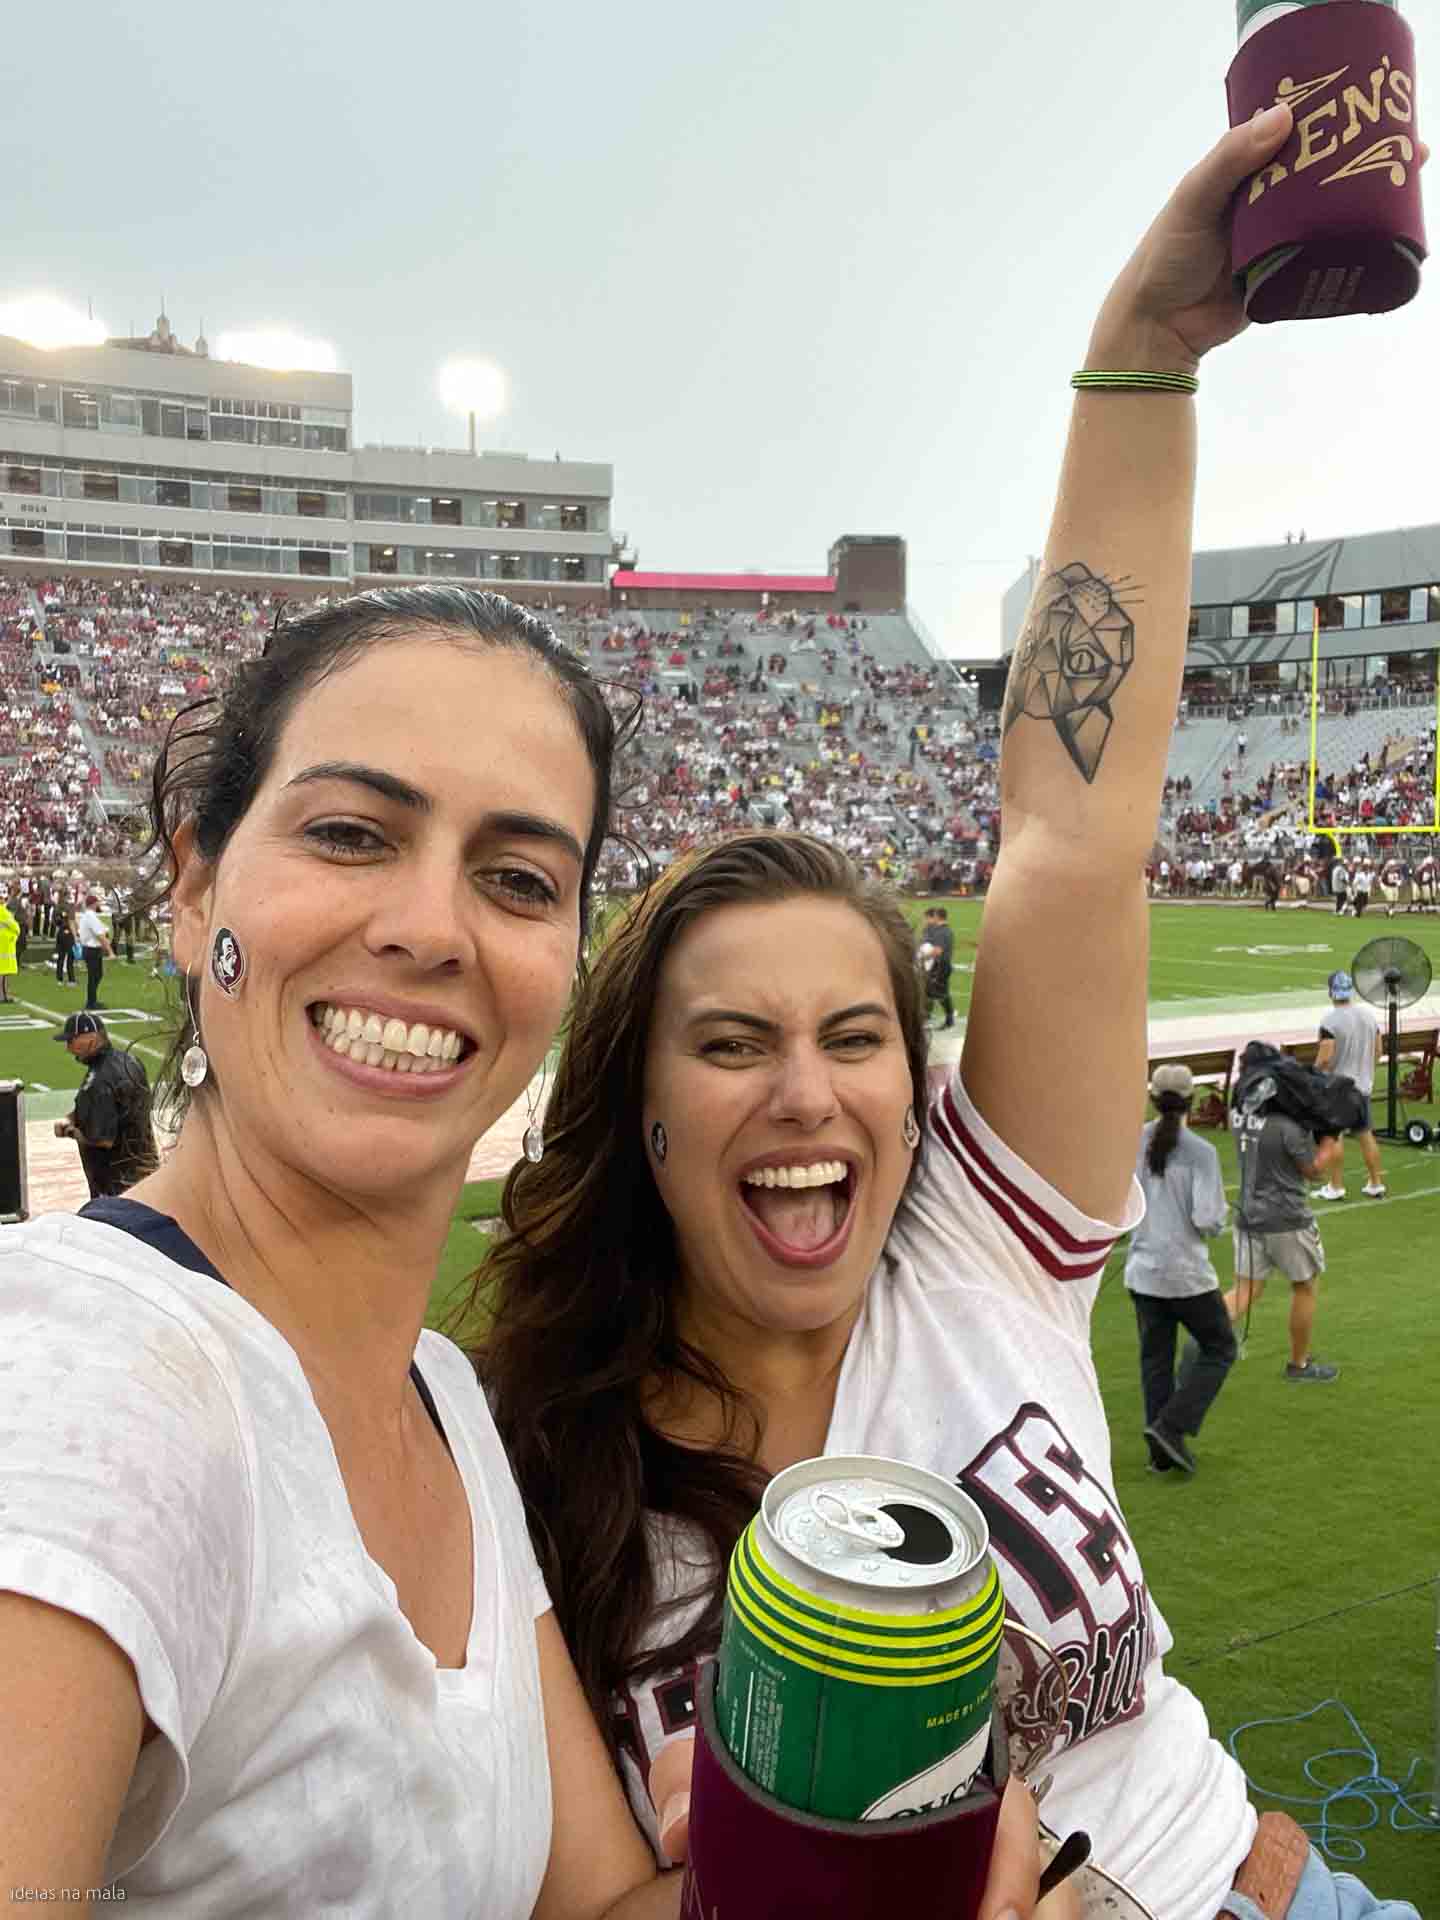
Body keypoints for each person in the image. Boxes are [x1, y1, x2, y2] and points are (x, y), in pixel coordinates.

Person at [482, 114, 1421, 1920]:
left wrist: (1140, 361)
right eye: (731, 1041)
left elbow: (1070, 837)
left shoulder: (978, 1250)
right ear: (644, 1106)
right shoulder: (537, 1484)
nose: (808, 1091)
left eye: (855, 1035)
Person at [0, 586, 716, 1919]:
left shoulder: (439, 1394)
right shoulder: (82, 1382)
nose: (430, 929)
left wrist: (851, 1870)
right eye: (349, 833)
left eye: (516, 878)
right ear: (194, 880)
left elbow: (600, 1905)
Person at [1124, 1064, 1234, 1475]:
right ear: (1190, 1101)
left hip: (1144, 1272)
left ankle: (1160, 1455)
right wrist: (1221, 1218)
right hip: (1187, 1274)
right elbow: (1208, 1219)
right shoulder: (1200, 1153)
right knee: (1220, 1348)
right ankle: (1172, 1427)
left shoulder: (1133, 1143)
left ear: (1154, 1098)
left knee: (1155, 1362)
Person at [1225, 1081, 1341, 1385]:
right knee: (1305, 1287)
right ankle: (1298, 1364)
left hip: (1248, 1216)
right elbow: (1313, 1170)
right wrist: (1329, 1144)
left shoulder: (1238, 1119)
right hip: (1287, 1220)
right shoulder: (1287, 1128)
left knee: (1245, 1290)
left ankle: (1203, 1345)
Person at [51, 1011, 158, 1198]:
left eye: (72, 1041)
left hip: (116, 1185)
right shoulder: (129, 1061)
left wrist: (69, 1131)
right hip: (146, 1173)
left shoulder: (98, 1080)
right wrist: (73, 1117)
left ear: (91, 1038)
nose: (68, 1048)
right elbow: (117, 1108)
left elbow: (101, 1138)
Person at [1312, 969, 1386, 1201]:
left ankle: (1336, 1186)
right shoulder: (1368, 1016)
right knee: (1365, 1134)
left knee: (1334, 1136)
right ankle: (1376, 1183)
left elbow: (1325, 1057)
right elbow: (1379, 1051)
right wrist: (1366, 1072)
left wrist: (1313, 1075)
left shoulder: (1330, 1020)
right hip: (1362, 1085)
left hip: (1338, 1087)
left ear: (1331, 992)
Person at [919, 902, 955, 1029]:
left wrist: (922, 957)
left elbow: (938, 950)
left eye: (933, 916)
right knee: (928, 991)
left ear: (937, 916)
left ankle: (949, 1020)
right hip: (939, 965)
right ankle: (926, 1017)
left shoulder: (942, 932)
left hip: (940, 966)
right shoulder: (944, 930)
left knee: (940, 993)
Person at [76, 891, 114, 1010]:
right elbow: (100, 935)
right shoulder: (91, 916)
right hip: (92, 949)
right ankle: (91, 1002)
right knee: (94, 976)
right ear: (94, 904)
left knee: (96, 975)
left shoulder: (86, 916)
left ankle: (92, 1000)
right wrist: (110, 951)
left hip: (89, 949)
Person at [52, 898, 77, 985]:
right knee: (70, 957)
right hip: (68, 933)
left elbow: (54, 921)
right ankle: (71, 980)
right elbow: (71, 921)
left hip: (60, 932)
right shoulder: (69, 907)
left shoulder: (57, 907)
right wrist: (75, 936)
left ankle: (59, 979)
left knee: (61, 957)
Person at [0, 896, 19, 1004]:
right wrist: (16, 933)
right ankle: (3, 995)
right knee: (3, 972)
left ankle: (4, 995)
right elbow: (15, 926)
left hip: (3, 944)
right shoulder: (3, 911)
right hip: (4, 944)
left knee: (3, 972)